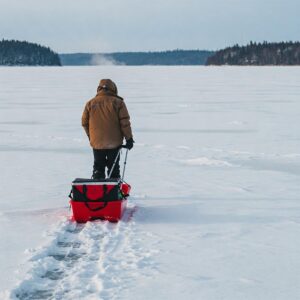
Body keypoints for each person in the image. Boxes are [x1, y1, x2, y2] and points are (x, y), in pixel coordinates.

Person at [82, 79, 134, 179]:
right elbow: (125, 122)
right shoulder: (119, 103)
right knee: (114, 168)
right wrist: (129, 139)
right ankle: (113, 191)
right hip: (114, 143)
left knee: (98, 167)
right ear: (113, 89)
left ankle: (97, 191)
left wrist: (91, 136)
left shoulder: (90, 103)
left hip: (97, 142)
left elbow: (84, 123)